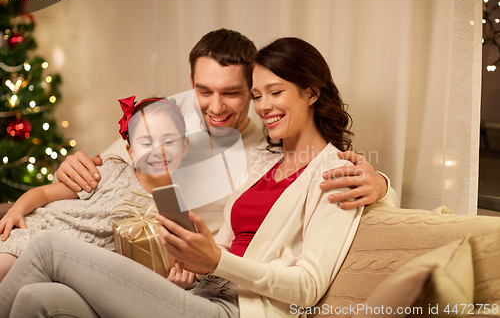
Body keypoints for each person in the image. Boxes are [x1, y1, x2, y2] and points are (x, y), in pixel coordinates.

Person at [1, 37, 364, 318]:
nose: (264, 105)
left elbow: (308, 284)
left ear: (312, 93)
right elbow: (119, 165)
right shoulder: (264, 162)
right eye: (258, 95)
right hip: (195, 288)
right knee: (40, 297)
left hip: (236, 307)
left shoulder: (336, 173)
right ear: (192, 85)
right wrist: (193, 265)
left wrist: (381, 184)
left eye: (273, 93)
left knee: (47, 248)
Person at [53, 29, 397, 236]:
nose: (216, 108)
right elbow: (109, 167)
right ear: (191, 86)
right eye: (204, 92)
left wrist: (381, 184)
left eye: (231, 93)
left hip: (194, 270)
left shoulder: (272, 143)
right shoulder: (165, 121)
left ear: (253, 89)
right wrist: (71, 168)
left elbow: (321, 168)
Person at [0, 97, 190, 281]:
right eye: (147, 143)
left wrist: (179, 281)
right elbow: (44, 193)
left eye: (168, 141)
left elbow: (172, 267)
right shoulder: (110, 171)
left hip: (69, 269)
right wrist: (16, 211)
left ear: (184, 146)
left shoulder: (173, 209)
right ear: (131, 151)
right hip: (36, 233)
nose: (157, 150)